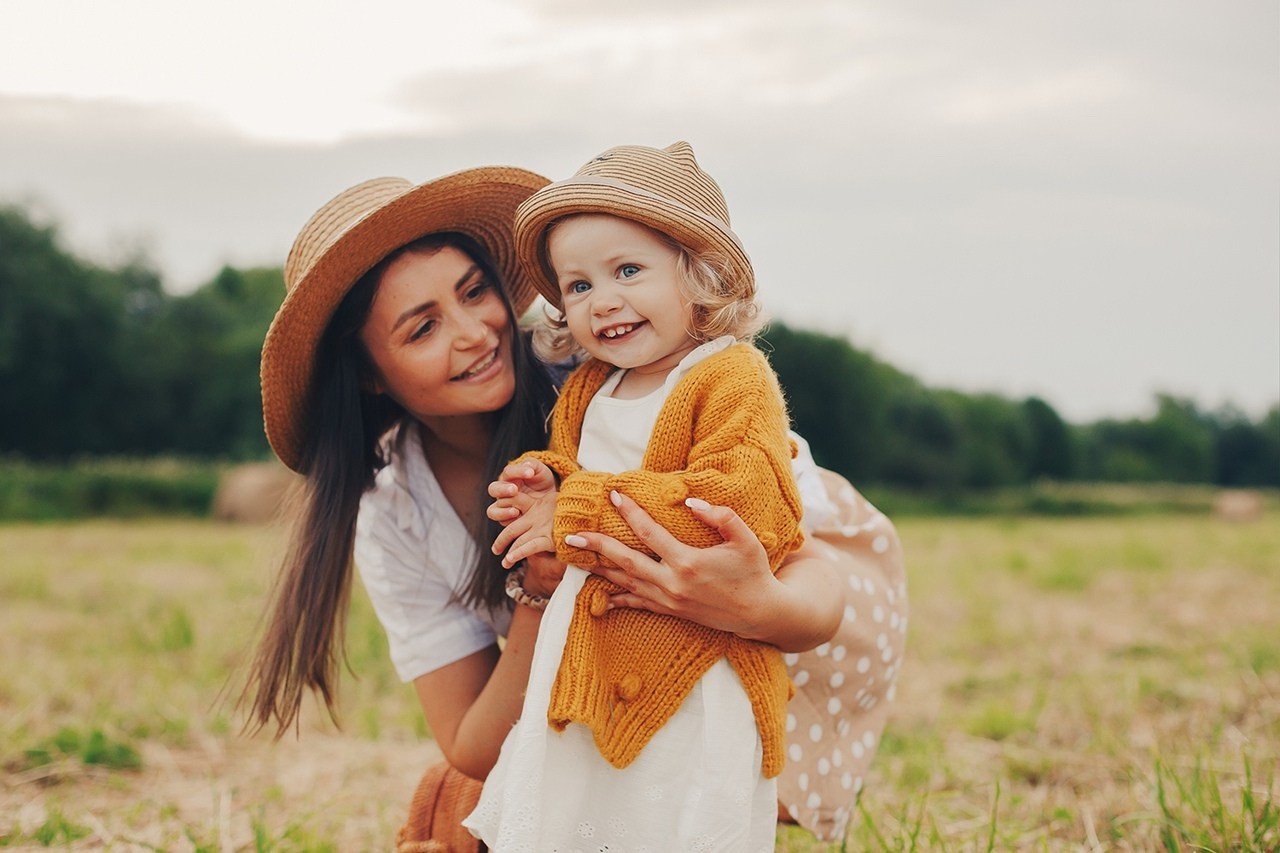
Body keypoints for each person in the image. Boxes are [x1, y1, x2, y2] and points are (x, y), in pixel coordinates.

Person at [244, 162, 906, 850]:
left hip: (791, 623)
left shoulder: (616, 374)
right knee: (461, 800)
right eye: (422, 328)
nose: (475, 332)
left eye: (475, 292)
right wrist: (538, 590)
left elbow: (803, 556)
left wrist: (753, 604)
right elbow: (470, 739)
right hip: (597, 661)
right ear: (370, 376)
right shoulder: (395, 511)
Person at [465, 141, 807, 851]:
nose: (604, 301)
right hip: (589, 656)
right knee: (583, 819)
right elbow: (576, 475)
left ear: (700, 274)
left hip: (694, 670)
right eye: (580, 285)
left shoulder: (731, 376)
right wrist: (544, 481)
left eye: (628, 271)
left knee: (669, 819)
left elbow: (744, 507)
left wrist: (578, 504)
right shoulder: (592, 385)